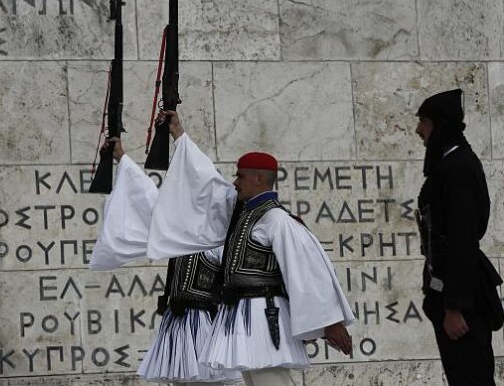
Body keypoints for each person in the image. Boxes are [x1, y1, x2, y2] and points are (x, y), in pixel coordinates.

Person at [146, 110, 355, 386]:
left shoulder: (277, 220)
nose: (234, 182)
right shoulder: (242, 214)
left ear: (258, 179)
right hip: (243, 318)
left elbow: (307, 271)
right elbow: (206, 181)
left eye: (240, 176)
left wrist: (330, 323)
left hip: (265, 318)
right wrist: (179, 135)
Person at [89, 138, 241, 385]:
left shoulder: (222, 234)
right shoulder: (177, 229)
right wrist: (121, 158)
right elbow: (146, 197)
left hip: (207, 322)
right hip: (178, 322)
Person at [414, 89, 503, 386]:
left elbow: (462, 240)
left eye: (424, 122)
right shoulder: (450, 165)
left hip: (464, 302)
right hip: (452, 294)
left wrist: (454, 307)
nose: (419, 131)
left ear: (439, 125)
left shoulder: (459, 168)